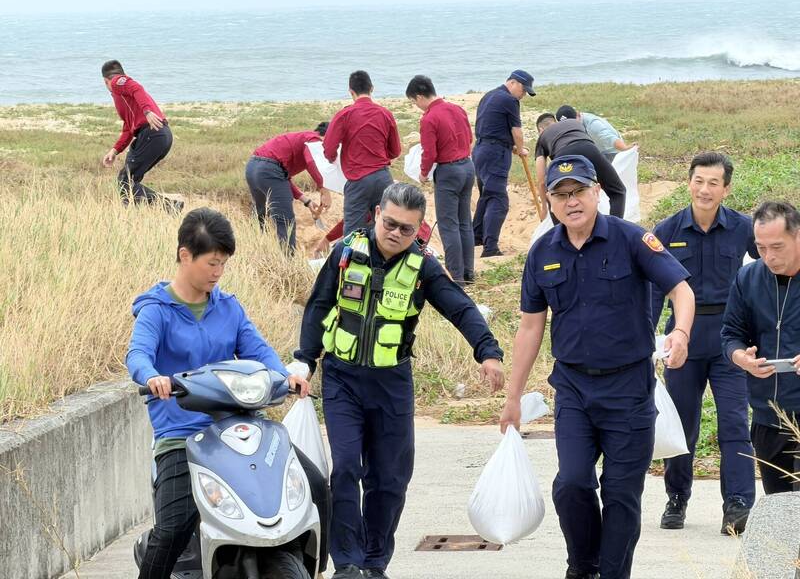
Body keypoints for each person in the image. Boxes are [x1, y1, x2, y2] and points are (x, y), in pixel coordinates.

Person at [294, 182, 505, 579]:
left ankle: (374, 563)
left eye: (406, 229)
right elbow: (319, 307)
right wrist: (304, 361)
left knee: (389, 480)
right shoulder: (344, 254)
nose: (395, 233)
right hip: (343, 381)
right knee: (344, 470)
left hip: (392, 384)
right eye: (390, 223)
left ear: (418, 230)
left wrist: (488, 351)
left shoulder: (423, 267)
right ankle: (349, 564)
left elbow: (460, 308)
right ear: (376, 214)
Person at [500, 154, 695, 579]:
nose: (571, 202)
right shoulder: (542, 253)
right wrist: (512, 397)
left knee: (622, 495)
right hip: (573, 391)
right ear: (550, 202)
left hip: (629, 391)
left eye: (579, 191)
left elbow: (680, 289)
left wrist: (679, 333)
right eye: (561, 194)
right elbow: (531, 328)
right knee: (571, 484)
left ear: (597, 193)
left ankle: (612, 573)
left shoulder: (631, 240)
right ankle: (582, 566)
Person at [126, 207, 328, 579]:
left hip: (238, 428)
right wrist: (153, 376)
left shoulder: (228, 307)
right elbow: (138, 353)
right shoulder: (157, 310)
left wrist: (286, 375)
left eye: (223, 265)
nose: (218, 273)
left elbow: (259, 351)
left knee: (315, 485)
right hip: (183, 435)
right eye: (212, 263)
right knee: (172, 527)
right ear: (185, 256)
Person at [651, 152, 757, 534]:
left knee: (733, 422)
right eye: (699, 180)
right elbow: (651, 286)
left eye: (714, 182)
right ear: (689, 182)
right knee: (682, 424)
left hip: (732, 337)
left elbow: (773, 268)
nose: (705, 189)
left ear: (726, 188)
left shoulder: (744, 228)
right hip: (683, 337)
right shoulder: (666, 229)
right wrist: (653, 339)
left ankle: (739, 504)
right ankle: (677, 497)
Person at [722, 200, 800, 494]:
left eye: (777, 247)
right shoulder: (748, 278)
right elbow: (731, 333)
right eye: (761, 247)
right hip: (768, 417)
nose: (768, 256)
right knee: (779, 514)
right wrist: (741, 357)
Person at [406, 74, 475, 285]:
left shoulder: (429, 118)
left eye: (413, 101)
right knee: (464, 222)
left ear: (419, 97)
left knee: (448, 225)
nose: (416, 106)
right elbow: (470, 138)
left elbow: (430, 152)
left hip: (449, 171)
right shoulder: (457, 109)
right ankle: (469, 272)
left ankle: (456, 276)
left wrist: (423, 173)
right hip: (467, 166)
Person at [323, 70, 401, 237]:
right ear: (372, 88)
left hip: (358, 180)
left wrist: (332, 158)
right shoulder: (385, 113)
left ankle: (353, 262)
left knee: (353, 232)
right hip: (383, 177)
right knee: (385, 228)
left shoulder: (344, 114)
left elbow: (329, 147)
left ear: (351, 92)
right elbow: (395, 150)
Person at [100, 60, 180, 211]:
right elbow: (128, 128)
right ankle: (137, 214)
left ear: (106, 81)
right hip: (162, 135)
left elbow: (137, 88)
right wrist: (115, 150)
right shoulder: (124, 97)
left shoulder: (117, 82)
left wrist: (147, 111)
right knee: (129, 181)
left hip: (152, 133)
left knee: (125, 182)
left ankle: (171, 207)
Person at [472, 69, 535, 257]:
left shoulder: (489, 95)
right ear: (513, 83)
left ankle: (477, 236)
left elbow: (491, 126)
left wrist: (511, 147)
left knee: (487, 196)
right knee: (499, 200)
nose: (523, 95)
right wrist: (521, 148)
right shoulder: (510, 100)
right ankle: (490, 249)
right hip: (495, 153)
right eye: (523, 90)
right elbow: (517, 131)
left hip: (480, 150)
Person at [245, 122, 332, 252]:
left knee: (260, 214)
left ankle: (253, 252)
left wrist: (307, 201)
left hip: (252, 167)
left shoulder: (303, 138)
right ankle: (287, 263)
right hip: (269, 170)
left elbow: (283, 179)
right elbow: (310, 161)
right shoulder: (314, 139)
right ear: (328, 135)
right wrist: (324, 189)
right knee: (286, 221)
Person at [535, 113, 626, 220]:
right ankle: (614, 230)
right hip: (588, 148)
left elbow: (541, 181)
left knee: (554, 196)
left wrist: (544, 210)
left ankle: (561, 234)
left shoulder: (542, 137)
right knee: (618, 191)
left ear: (541, 129)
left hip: (563, 154)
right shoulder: (573, 122)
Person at [555, 105, 637, 162]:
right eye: (566, 125)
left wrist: (625, 148)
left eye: (572, 122)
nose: (570, 126)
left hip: (610, 151)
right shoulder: (573, 126)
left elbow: (611, 139)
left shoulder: (593, 125)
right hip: (595, 149)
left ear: (578, 114)